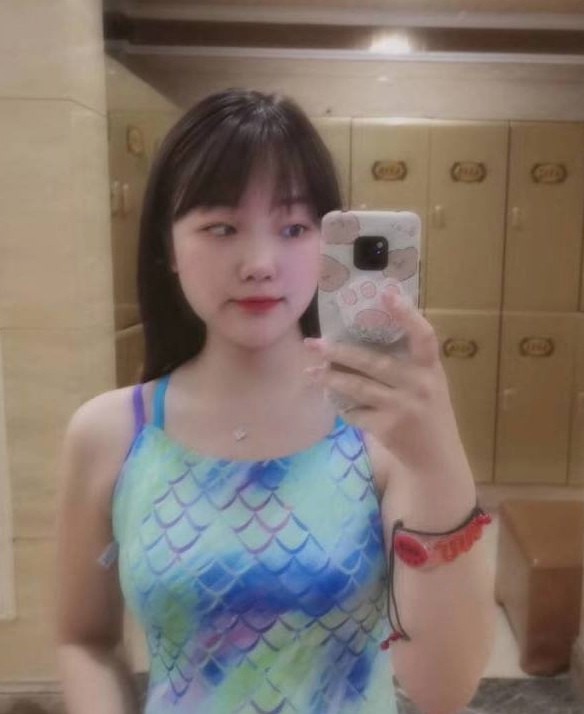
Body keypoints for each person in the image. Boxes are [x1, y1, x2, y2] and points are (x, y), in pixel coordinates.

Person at [55, 88, 496, 714]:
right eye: (221, 227)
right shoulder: (111, 433)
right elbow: (83, 640)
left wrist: (437, 460)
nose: (261, 263)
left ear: (329, 242)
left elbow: (442, 690)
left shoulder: (380, 434)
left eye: (294, 228)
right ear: (167, 248)